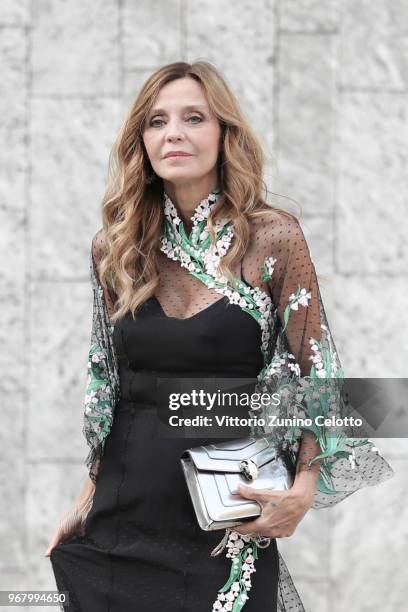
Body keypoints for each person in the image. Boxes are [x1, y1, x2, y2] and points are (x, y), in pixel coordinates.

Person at [45, 61, 394, 612]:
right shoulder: (114, 249)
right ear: (142, 140)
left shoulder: (273, 238)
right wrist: (86, 497)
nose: (174, 133)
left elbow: (317, 372)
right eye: (157, 122)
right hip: (123, 515)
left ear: (224, 133)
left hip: (227, 518)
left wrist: (303, 489)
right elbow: (106, 381)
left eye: (193, 118)